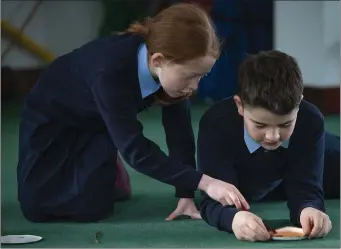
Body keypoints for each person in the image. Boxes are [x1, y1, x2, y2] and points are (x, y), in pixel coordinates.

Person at [16, 3, 250, 223]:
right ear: (158, 60)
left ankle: (106, 160)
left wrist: (186, 195)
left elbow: (180, 135)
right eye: (191, 75)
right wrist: (206, 183)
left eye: (202, 76)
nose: (195, 86)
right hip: (54, 117)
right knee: (37, 208)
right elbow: (136, 152)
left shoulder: (173, 72)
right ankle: (109, 162)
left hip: (99, 124)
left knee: (93, 208)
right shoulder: (110, 71)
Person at [197, 50, 340, 241]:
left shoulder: (310, 120)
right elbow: (210, 201)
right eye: (260, 125)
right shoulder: (216, 125)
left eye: (285, 124)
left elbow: (306, 187)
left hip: (325, 156)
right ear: (240, 105)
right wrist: (233, 218)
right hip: (248, 181)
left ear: (300, 104)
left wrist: (310, 208)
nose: (273, 136)